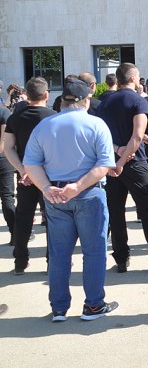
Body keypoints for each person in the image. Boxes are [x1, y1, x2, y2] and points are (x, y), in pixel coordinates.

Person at [23, 79, 118, 321]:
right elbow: (104, 164)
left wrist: (45, 187)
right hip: (88, 193)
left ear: (63, 100)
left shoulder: (44, 126)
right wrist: (77, 186)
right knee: (94, 252)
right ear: (86, 100)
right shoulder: (96, 124)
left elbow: (30, 163)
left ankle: (59, 308)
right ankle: (94, 305)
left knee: (59, 254)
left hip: (55, 195)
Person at [96, 63, 148, 274]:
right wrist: (123, 160)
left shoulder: (104, 102)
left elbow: (100, 137)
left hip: (111, 163)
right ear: (133, 79)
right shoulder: (137, 101)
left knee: (116, 212)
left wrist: (116, 153)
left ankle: (121, 258)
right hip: (133, 164)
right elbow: (138, 136)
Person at [2, 77, 55, 273]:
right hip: (49, 177)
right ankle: (52, 261)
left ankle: (20, 262)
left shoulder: (14, 118)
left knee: (24, 219)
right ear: (46, 94)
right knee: (53, 219)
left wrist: (24, 170)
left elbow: (8, 148)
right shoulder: (53, 117)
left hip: (25, 177)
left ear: (28, 96)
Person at [0, 102, 14, 244]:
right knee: (7, 197)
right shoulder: (4, 112)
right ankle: (14, 232)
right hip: (3, 159)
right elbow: (3, 143)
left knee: (7, 198)